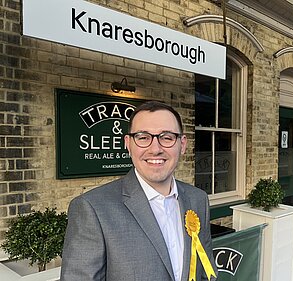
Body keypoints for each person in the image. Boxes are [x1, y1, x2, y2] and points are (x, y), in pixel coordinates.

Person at [61, 101, 216, 281]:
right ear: (128, 143)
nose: (156, 149)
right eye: (143, 137)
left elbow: (206, 271)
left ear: (182, 144)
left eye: (166, 137)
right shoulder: (92, 209)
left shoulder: (198, 199)